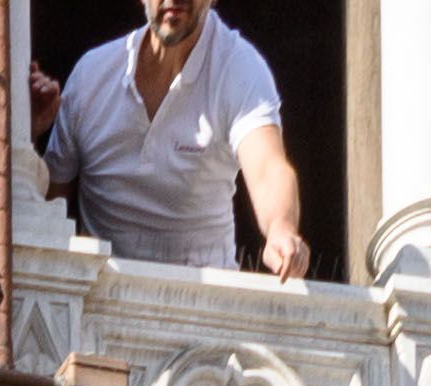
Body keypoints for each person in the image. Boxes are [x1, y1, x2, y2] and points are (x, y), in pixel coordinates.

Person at [35, 0, 308, 280]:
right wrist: (30, 131)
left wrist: (281, 228)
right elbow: (49, 204)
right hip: (101, 301)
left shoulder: (239, 68)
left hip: (202, 306)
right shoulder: (90, 76)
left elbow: (268, 168)